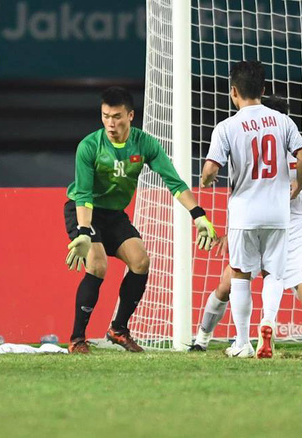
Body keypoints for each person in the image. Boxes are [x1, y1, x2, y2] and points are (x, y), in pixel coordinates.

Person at [192, 95, 302, 352]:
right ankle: (202, 339)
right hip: (258, 225)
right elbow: (241, 190)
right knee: (226, 285)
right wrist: (227, 233)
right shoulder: (247, 141)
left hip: (294, 229)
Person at [64, 86, 217, 354]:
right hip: (85, 212)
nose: (111, 123)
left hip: (114, 215)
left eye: (117, 116)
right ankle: (77, 339)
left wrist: (198, 214)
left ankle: (118, 329)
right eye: (105, 116)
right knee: (98, 265)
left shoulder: (145, 144)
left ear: (131, 115)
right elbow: (84, 195)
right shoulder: (89, 146)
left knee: (141, 261)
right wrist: (84, 231)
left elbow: (175, 183)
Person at [201, 61, 302, 359]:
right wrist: (298, 186)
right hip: (278, 213)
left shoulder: (226, 127)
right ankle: (269, 322)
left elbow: (211, 169)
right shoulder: (282, 121)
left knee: (240, 275)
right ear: (263, 90)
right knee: (274, 274)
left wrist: (205, 180)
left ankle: (242, 342)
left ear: (233, 92)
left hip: (244, 214)